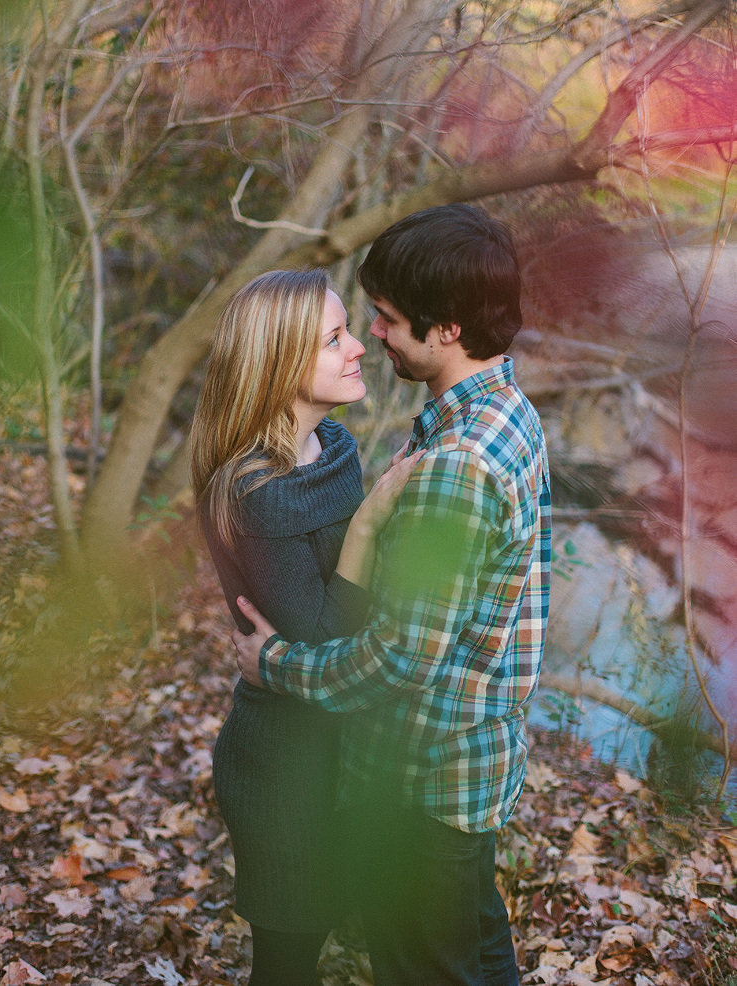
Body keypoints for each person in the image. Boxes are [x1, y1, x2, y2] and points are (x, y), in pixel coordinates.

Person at [233, 204, 552, 986]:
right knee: (479, 956)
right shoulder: (506, 414)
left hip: (421, 788)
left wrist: (273, 664)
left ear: (445, 329)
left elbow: (398, 662)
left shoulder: (457, 467)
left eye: (385, 318)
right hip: (469, 770)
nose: (373, 334)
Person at [189, 268, 423, 986]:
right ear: (281, 361)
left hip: (342, 747)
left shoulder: (333, 449)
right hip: (286, 762)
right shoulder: (258, 490)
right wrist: (373, 523)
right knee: (289, 965)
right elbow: (321, 637)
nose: (359, 346)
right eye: (333, 338)